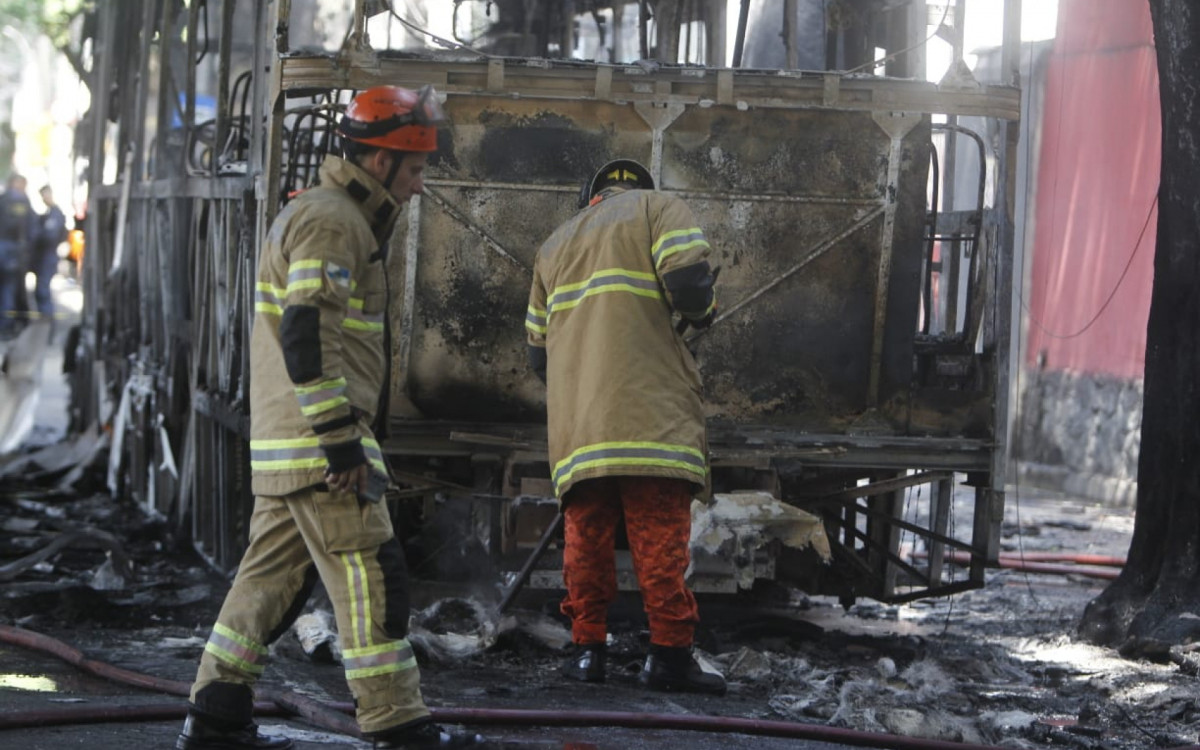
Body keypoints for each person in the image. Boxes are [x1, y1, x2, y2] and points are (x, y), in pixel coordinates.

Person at [176, 86, 485, 750]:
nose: (422, 185)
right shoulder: (333, 220)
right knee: (372, 577)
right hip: (322, 448)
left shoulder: (326, 216)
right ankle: (399, 725)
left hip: (291, 444)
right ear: (380, 163)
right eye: (416, 168)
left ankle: (216, 713)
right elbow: (306, 332)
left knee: (267, 584)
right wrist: (342, 439)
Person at [525, 158, 726, 696]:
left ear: (591, 195)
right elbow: (688, 284)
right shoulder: (659, 209)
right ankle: (668, 658)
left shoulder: (552, 245)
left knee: (585, 540)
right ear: (639, 188)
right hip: (649, 419)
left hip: (581, 430)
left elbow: (538, 359)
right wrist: (703, 312)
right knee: (659, 542)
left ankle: (587, 651)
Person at [0, 173, 35, 338]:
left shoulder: (3, 198)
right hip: (12, 251)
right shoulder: (21, 201)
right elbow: (30, 228)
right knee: (9, 289)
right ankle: (7, 325)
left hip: (6, 248)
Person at [30, 185, 68, 322]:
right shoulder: (48, 213)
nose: (43, 199)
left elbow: (50, 236)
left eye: (44, 195)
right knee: (40, 288)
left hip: (48, 255)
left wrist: (37, 234)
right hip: (44, 256)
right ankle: (44, 317)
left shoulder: (55, 214)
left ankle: (47, 318)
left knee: (43, 288)